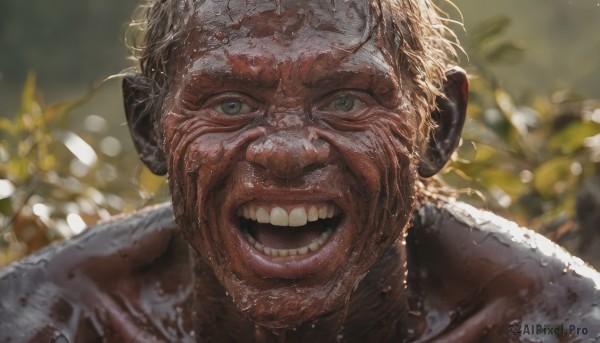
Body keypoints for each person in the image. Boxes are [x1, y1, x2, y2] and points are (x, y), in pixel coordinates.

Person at [1, 0, 599, 341]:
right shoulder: (53, 320)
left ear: (436, 128)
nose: (286, 153)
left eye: (346, 100)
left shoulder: (555, 324)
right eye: (230, 103)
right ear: (148, 129)